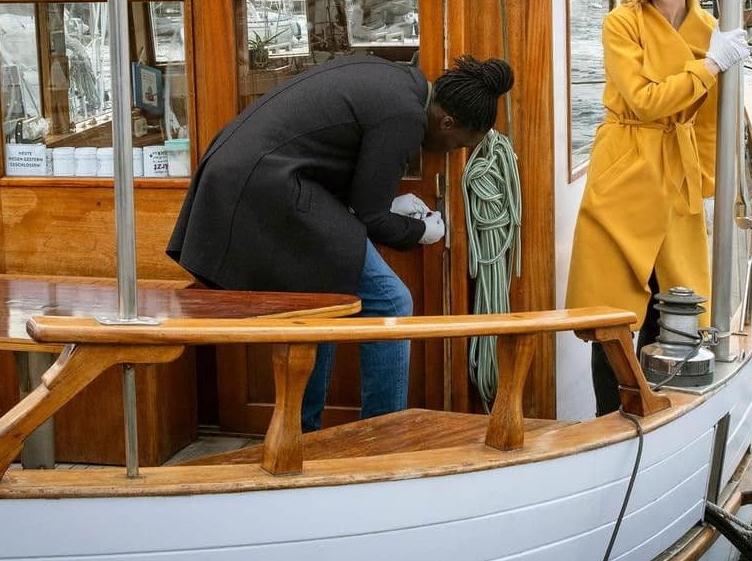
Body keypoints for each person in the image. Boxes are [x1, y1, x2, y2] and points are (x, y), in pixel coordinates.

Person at [167, 53, 515, 431]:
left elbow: (337, 163)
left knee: (326, 299)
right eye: (457, 145)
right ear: (446, 122)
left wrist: (388, 204)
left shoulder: (396, 81)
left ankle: (301, 432)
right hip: (262, 187)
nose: (452, 153)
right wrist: (421, 231)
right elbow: (370, 216)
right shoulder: (404, 118)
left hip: (244, 174)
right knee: (390, 301)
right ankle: (381, 435)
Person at [564, 0, 751, 416]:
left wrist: (708, 182)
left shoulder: (709, 30)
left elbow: (711, 120)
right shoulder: (621, 22)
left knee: (673, 299)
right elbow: (645, 101)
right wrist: (710, 65)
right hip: (625, 165)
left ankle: (659, 408)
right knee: (613, 310)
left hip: (675, 172)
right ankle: (611, 417)